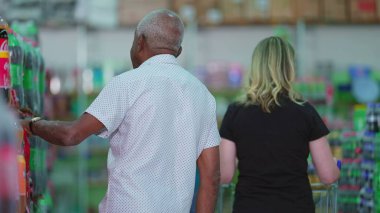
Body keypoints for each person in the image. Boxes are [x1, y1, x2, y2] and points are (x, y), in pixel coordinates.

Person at [21, 9, 220, 213]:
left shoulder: (127, 84)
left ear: (140, 42)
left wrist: (31, 124)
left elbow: (71, 134)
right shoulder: (203, 96)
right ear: (178, 51)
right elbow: (211, 179)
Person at [219, 36, 340, 213]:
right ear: (289, 69)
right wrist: (335, 165)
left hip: (250, 206)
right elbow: (328, 176)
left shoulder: (235, 112)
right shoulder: (305, 112)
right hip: (296, 206)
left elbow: (225, 175)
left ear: (255, 68)